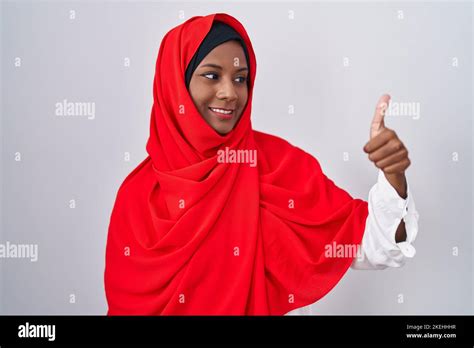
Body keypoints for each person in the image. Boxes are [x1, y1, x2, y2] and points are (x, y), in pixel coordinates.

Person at [104, 13, 419, 315]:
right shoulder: (137, 198)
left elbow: (374, 243)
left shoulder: (281, 165)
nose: (230, 93)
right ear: (175, 84)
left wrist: (393, 175)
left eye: (240, 79)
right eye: (212, 75)